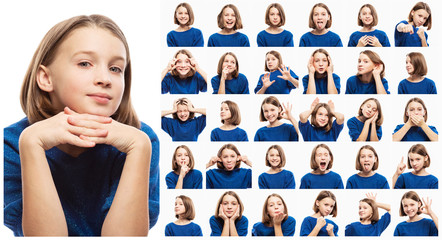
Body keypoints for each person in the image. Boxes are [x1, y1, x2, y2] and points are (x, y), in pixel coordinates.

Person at [3, 15, 159, 236]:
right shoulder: (11, 143)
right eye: (85, 63)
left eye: (115, 68)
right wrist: (32, 144)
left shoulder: (141, 140)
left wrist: (140, 147)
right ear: (46, 78)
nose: (105, 78)